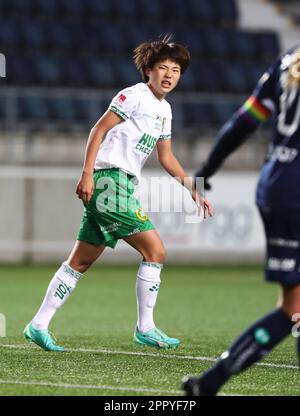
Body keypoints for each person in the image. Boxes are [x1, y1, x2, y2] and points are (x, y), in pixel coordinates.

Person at [23, 35, 213, 352]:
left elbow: (165, 157)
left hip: (122, 184)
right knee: (156, 251)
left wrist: (193, 188)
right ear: (148, 70)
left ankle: (38, 325)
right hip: (108, 180)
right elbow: (99, 130)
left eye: (176, 70)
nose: (169, 75)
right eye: (163, 67)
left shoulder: (165, 110)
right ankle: (145, 327)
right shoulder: (134, 96)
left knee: (79, 262)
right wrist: (87, 175)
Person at [182, 45, 300, 395]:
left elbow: (242, 122)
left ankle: (210, 382)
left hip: (276, 186)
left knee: (293, 309)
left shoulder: (287, 61)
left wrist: (205, 172)